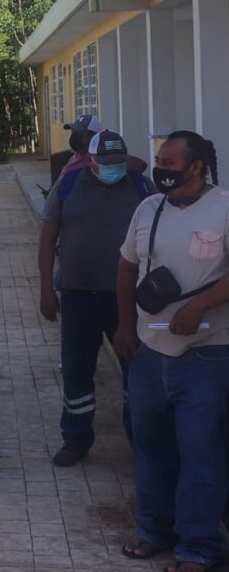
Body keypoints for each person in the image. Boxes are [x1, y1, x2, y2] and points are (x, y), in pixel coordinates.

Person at [115, 131, 229, 572]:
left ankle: (198, 546)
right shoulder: (148, 208)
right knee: (150, 448)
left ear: (195, 167)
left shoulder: (223, 207)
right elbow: (126, 268)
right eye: (159, 161)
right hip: (149, 352)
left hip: (206, 355)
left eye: (168, 162)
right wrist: (125, 326)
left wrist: (200, 305)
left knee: (201, 452)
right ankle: (152, 529)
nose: (160, 168)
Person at [39, 129, 150, 466]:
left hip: (127, 299)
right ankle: (75, 439)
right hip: (78, 296)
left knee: (136, 370)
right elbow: (47, 237)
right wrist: (46, 289)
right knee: (76, 368)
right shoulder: (69, 184)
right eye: (106, 162)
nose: (114, 168)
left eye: (119, 161)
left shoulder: (142, 187)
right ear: (90, 160)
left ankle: (140, 439)